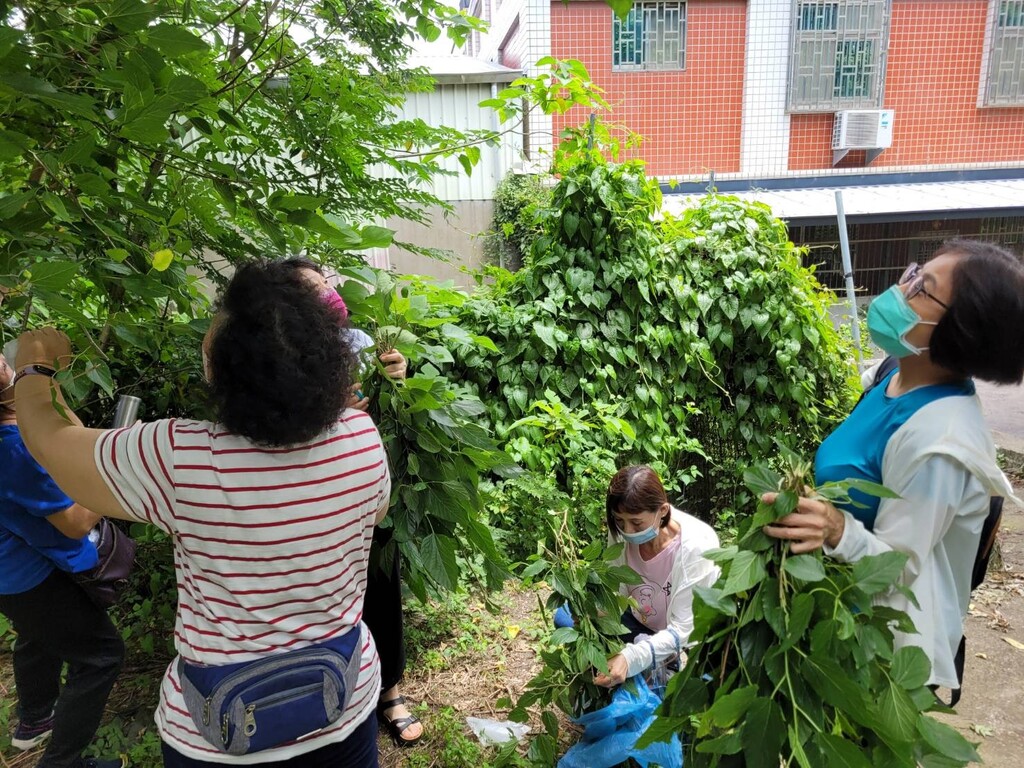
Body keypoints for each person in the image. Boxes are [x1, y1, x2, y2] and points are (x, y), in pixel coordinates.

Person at [12, 260, 391, 767]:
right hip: (343, 707)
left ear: (221, 366)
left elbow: (51, 444)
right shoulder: (363, 441)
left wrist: (36, 365)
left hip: (217, 737)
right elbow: (375, 512)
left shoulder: (181, 457)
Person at [763, 239, 1024, 692]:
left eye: (924, 288)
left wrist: (838, 530)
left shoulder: (940, 441)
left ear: (960, 330)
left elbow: (899, 570)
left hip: (881, 655)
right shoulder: (893, 376)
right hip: (838, 620)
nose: (901, 289)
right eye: (916, 273)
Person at [283, 256, 422, 745]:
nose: (327, 296)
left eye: (327, 285)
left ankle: (389, 690)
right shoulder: (277, 357)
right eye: (312, 289)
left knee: (381, 582)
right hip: (308, 490)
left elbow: (389, 408)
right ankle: (329, 693)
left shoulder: (358, 343)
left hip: (362, 479)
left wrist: (397, 378)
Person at [0, 354, 126, 768]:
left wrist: (40, 378)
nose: (7, 362)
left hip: (12, 571)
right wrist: (111, 476)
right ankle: (63, 762)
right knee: (102, 655)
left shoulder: (15, 434)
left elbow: (66, 431)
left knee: (39, 633)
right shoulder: (12, 449)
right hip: (29, 576)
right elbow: (73, 523)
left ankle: (35, 719)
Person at [593, 465, 720, 688]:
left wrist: (631, 658)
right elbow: (615, 588)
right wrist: (599, 611)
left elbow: (684, 630)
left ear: (662, 511)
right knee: (566, 615)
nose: (627, 532)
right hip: (639, 621)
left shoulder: (696, 546)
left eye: (636, 523)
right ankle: (652, 659)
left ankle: (666, 663)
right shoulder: (621, 534)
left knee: (698, 683)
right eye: (619, 521)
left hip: (684, 637)